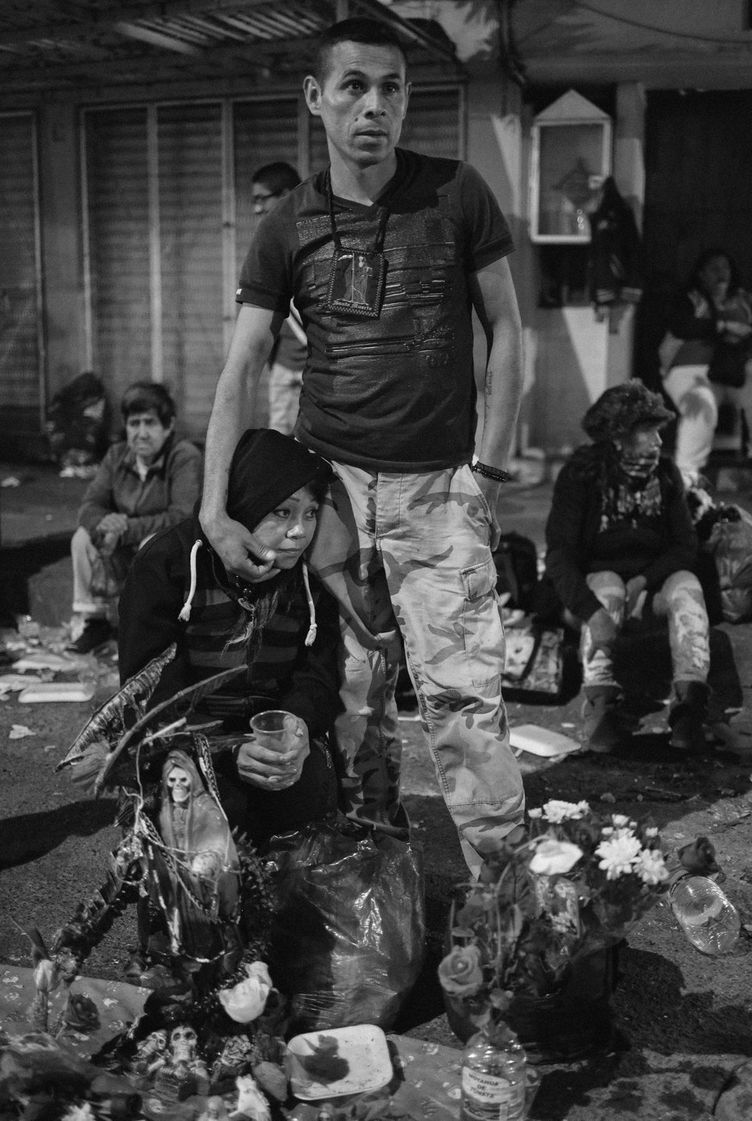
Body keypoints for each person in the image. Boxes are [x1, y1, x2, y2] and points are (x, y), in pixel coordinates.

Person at [200, 17, 526, 875]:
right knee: (351, 699)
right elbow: (242, 366)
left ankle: (510, 905)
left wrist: (486, 470)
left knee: (464, 705)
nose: (371, 105)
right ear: (317, 99)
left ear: (407, 98)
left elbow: (508, 328)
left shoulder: (457, 193)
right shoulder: (288, 225)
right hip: (331, 494)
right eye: (352, 86)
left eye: (389, 87)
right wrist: (212, 507)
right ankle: (372, 880)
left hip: (436, 489)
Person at [117, 427, 340, 848]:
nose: (299, 532)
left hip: (265, 736)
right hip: (188, 740)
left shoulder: (307, 577)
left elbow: (319, 672)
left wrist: (298, 726)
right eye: (282, 512)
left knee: (308, 794)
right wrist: (224, 751)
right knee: (209, 816)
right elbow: (147, 689)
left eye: (310, 513)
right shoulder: (168, 564)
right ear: (243, 501)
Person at [544, 380, 711, 754]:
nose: (657, 442)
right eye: (647, 432)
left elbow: (686, 546)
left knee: (686, 585)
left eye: (658, 432)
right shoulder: (583, 475)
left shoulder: (664, 475)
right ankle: (601, 708)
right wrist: (593, 613)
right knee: (607, 583)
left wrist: (642, 580)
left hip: (647, 591)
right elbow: (559, 556)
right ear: (618, 437)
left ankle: (688, 710)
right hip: (594, 596)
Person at [68, 381, 202, 654]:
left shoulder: (184, 456)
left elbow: (182, 516)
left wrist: (127, 527)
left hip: (168, 546)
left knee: (153, 545)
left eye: (150, 423)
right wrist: (103, 523)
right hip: (124, 542)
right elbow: (89, 506)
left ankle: (151, 627)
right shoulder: (117, 455)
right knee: (83, 538)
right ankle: (96, 622)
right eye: (133, 423)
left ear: (168, 426)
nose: (141, 433)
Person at [659, 248, 752, 486]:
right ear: (701, 273)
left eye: (725, 267)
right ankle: (687, 475)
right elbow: (681, 326)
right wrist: (721, 327)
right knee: (701, 405)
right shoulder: (688, 297)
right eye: (714, 268)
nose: (721, 273)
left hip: (736, 368)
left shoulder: (744, 300)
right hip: (692, 369)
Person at [250, 162, 306, 435]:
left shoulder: (315, 238)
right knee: (279, 439)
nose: (257, 208)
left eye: (262, 198)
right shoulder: (266, 245)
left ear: (285, 195)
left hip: (316, 368)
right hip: (283, 365)